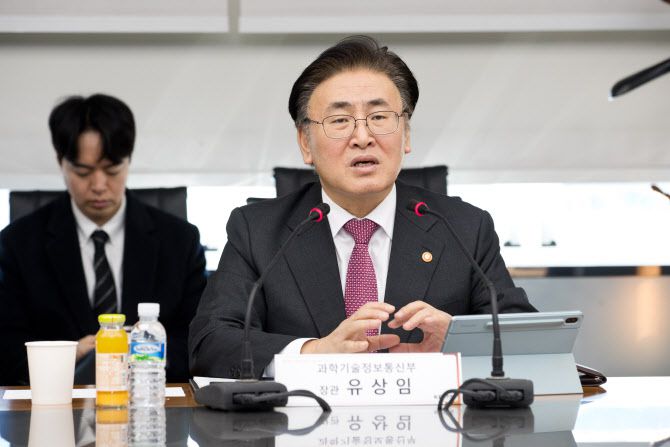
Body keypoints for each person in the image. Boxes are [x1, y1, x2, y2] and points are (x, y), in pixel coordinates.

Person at [189, 36, 535, 379]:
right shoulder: (258, 231)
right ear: (305, 143)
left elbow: (532, 340)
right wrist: (314, 353)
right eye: (340, 120)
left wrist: (459, 341)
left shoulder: (464, 228)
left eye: (379, 116)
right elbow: (211, 343)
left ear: (406, 133)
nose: (362, 137)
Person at [0, 94, 206, 385]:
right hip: (58, 400)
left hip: (150, 399)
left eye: (112, 170)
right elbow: (6, 349)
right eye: (83, 172)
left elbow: (200, 342)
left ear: (128, 161)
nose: (98, 185)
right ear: (61, 162)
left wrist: (144, 351)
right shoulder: (18, 243)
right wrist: (68, 355)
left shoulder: (180, 241)